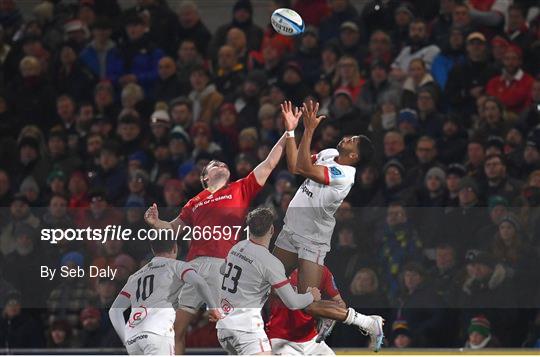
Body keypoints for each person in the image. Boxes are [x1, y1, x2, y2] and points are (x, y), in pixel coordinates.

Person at [143, 125, 289, 354]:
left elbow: (270, 163)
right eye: (214, 165)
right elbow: (173, 229)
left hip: (224, 267)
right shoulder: (194, 201)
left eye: (223, 163)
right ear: (204, 177)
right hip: (193, 267)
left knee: (234, 328)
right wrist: (156, 223)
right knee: (174, 329)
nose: (221, 164)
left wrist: (288, 132)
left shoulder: (241, 188)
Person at [276, 101, 384, 351]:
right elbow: (294, 166)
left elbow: (303, 166)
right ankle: (324, 316)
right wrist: (292, 131)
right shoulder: (329, 154)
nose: (346, 138)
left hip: (310, 238)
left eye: (352, 140)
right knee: (271, 280)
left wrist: (309, 129)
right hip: (291, 229)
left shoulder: (346, 174)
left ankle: (369, 323)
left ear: (354, 155)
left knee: (307, 303)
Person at [216, 208, 321, 355]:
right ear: (272, 229)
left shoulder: (237, 247)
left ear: (249, 228)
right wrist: (312, 295)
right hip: (247, 331)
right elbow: (293, 303)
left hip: (224, 329)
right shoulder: (270, 262)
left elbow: (222, 270)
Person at [108, 237, 221, 355]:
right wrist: (213, 308)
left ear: (153, 250)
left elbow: (114, 311)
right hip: (157, 332)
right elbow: (199, 282)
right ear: (175, 248)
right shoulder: (177, 266)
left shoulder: (135, 276)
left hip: (133, 338)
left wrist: (125, 339)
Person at [266, 265, 344, 355]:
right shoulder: (279, 264)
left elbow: (339, 303)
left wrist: (330, 315)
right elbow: (273, 290)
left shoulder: (322, 270)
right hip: (280, 339)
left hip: (312, 341)